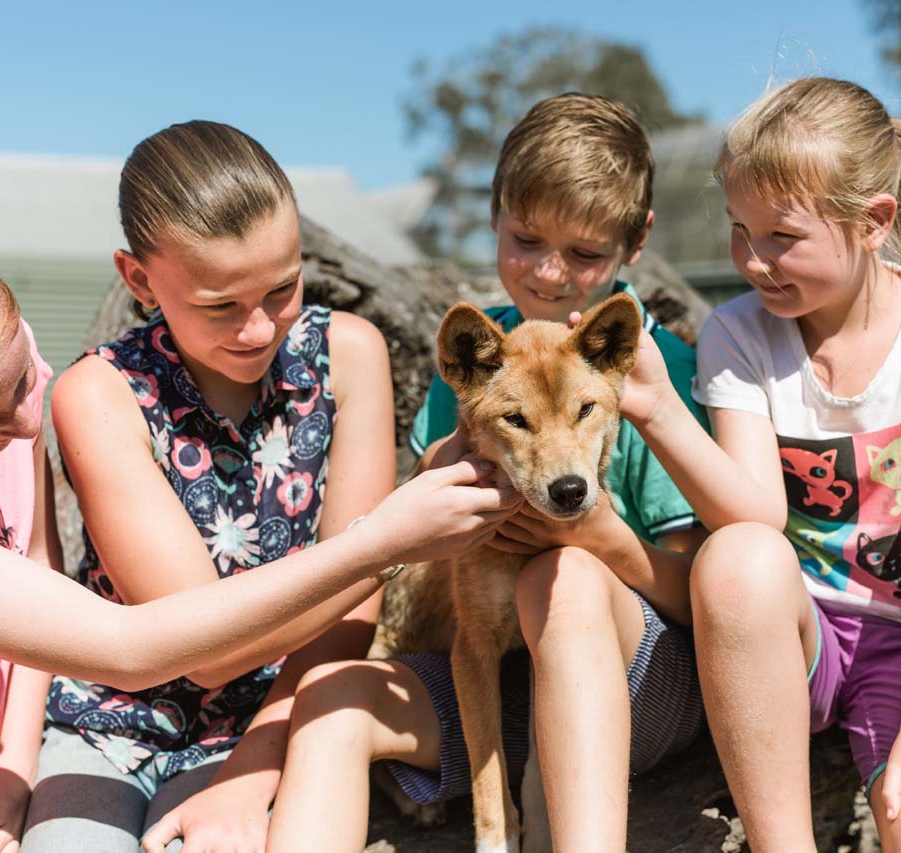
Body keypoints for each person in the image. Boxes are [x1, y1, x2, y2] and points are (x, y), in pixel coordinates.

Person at [0, 216, 512, 853]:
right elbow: (139, 646)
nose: (24, 420)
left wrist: (15, 762)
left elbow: (37, 568)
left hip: (240, 719)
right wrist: (384, 543)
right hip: (84, 725)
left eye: (22, 378)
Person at [268, 93, 710, 852]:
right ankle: (489, 812)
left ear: (633, 244)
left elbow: (702, 595)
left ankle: (544, 821)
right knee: (332, 700)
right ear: (495, 219)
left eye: (583, 252)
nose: (549, 271)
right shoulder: (480, 364)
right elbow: (458, 605)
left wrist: (599, 532)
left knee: (558, 579)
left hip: (639, 684)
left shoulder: (650, 371)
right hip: (504, 685)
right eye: (526, 237)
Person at [612, 77, 901, 852]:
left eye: (781, 236)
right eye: (740, 230)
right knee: (736, 557)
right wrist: (659, 409)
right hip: (788, 636)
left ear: (872, 223)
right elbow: (756, 517)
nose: (752, 260)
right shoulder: (739, 335)